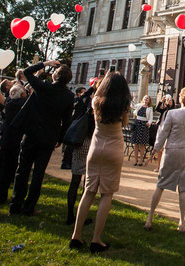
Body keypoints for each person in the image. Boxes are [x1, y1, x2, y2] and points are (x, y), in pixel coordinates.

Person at [69, 71, 131, 254]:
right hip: (114, 149)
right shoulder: (124, 104)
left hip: (95, 148)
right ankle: (96, 239)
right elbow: (125, 124)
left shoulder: (96, 101)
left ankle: (76, 235)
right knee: (106, 194)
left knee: (88, 192)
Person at [10, 60, 73, 216]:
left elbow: (26, 72)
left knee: (22, 170)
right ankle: (29, 207)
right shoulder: (69, 96)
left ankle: (15, 204)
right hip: (49, 136)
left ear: (54, 76)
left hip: (31, 132)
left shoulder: (43, 87)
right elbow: (66, 121)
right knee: (39, 173)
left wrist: (46, 63)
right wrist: (60, 138)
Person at [145, 86, 185, 232]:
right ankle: (181, 223)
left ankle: (149, 218)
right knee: (183, 189)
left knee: (161, 184)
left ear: (181, 99)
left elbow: (163, 133)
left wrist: (155, 149)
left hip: (171, 152)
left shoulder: (171, 114)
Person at [0, 82, 28, 205]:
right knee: (14, 170)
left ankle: (0, 196)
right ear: (22, 95)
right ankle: (14, 198)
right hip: (16, 140)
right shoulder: (22, 104)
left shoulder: (8, 103)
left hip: (6, 138)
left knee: (5, 169)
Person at [66, 84, 96, 225]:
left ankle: (70, 215)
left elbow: (83, 96)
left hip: (77, 142)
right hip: (89, 142)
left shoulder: (80, 103)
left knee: (75, 180)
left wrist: (91, 89)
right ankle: (81, 215)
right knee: (87, 183)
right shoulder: (94, 106)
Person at [131, 95, 154, 166]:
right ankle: (135, 160)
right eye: (145, 98)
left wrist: (149, 123)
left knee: (142, 143)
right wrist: (134, 98)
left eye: (147, 98)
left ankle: (141, 160)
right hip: (137, 123)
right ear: (143, 99)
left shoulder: (150, 108)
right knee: (136, 143)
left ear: (149, 100)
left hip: (144, 125)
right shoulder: (139, 105)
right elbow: (132, 106)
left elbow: (151, 118)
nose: (146, 99)